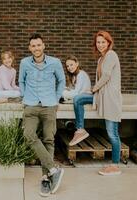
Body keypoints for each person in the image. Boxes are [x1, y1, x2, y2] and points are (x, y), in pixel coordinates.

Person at [19, 33, 66, 197]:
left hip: (49, 105)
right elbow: (21, 81)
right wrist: (24, 97)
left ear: (43, 46)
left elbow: (61, 81)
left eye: (38, 45)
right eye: (33, 45)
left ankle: (46, 179)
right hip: (30, 105)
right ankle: (54, 169)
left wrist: (56, 98)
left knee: (48, 139)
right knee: (28, 134)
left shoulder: (55, 62)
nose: (36, 48)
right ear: (29, 48)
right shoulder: (24, 63)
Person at [70, 30, 122, 176]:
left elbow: (106, 76)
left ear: (109, 42)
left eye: (103, 42)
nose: (100, 45)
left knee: (112, 133)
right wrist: (92, 91)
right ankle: (80, 130)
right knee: (78, 99)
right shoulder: (101, 59)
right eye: (98, 42)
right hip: (100, 96)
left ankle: (115, 165)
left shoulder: (111, 55)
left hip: (110, 99)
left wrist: (93, 89)